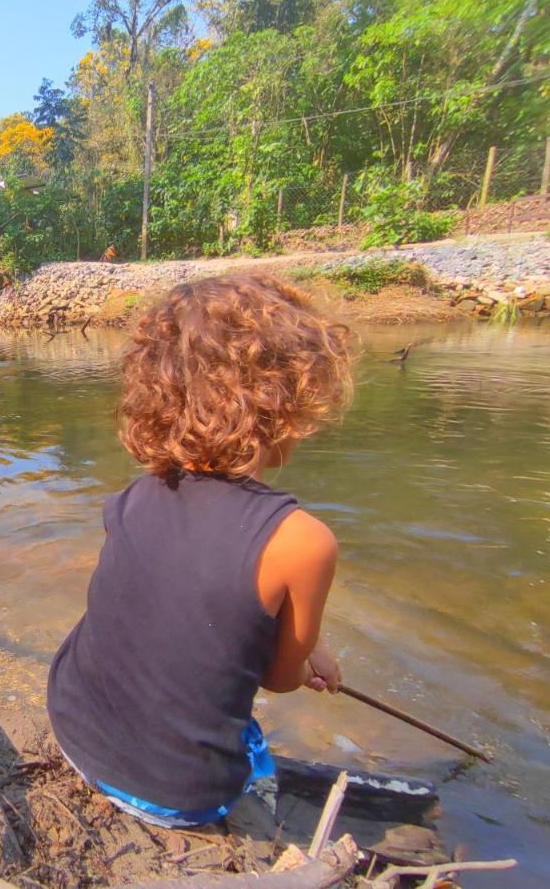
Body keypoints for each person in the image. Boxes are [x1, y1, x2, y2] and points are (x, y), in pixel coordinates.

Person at [46, 273, 354, 829]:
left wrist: (312, 644)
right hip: (177, 796)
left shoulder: (136, 495)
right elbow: (281, 679)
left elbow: (183, 596)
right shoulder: (304, 542)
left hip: (70, 726)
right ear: (285, 402)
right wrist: (309, 655)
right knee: (249, 753)